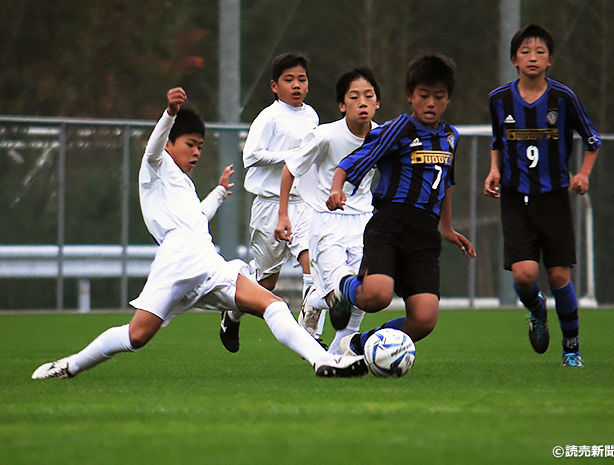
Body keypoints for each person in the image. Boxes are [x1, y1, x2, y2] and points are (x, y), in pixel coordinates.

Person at [31, 87, 367, 380]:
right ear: (171, 143)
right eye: (191, 145)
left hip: (204, 259)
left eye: (200, 148)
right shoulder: (156, 167)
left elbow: (196, 220)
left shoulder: (182, 184)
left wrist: (219, 193)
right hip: (178, 261)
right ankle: (68, 366)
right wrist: (169, 114)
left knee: (272, 305)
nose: (196, 153)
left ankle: (323, 360)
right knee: (136, 336)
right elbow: (152, 149)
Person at [326, 54, 476, 356]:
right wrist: (336, 188)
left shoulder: (450, 136)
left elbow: (445, 182)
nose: (431, 103)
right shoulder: (399, 129)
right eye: (424, 96)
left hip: (424, 235)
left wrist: (447, 227)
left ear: (448, 99)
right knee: (376, 297)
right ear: (410, 96)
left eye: (439, 96)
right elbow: (354, 160)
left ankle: (356, 344)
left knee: (424, 320)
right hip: (390, 226)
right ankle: (342, 286)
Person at [483, 24, 600, 368]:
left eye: (539, 52)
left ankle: (571, 349)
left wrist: (582, 175)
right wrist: (494, 170)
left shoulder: (563, 98)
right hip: (515, 198)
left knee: (559, 276)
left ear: (550, 60)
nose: (532, 57)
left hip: (553, 199)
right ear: (513, 60)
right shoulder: (499, 99)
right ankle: (536, 310)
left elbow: (592, 140)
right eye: (525, 52)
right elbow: (496, 142)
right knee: (524, 275)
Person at [275, 67, 381, 353]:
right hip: (328, 223)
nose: (362, 102)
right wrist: (283, 214)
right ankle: (316, 301)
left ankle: (337, 354)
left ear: (377, 103)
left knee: (365, 292)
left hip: (365, 223)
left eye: (368, 96)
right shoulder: (325, 136)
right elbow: (290, 170)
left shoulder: (383, 138)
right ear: (341, 104)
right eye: (354, 96)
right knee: (340, 294)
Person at [223, 52, 319, 351]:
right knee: (266, 283)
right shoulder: (269, 117)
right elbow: (250, 156)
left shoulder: (312, 116)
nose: (296, 85)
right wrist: (289, 158)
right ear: (274, 86)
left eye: (301, 79)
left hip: (302, 203)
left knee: (313, 265)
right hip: (268, 204)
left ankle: (310, 337)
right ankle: (232, 312)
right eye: (288, 80)